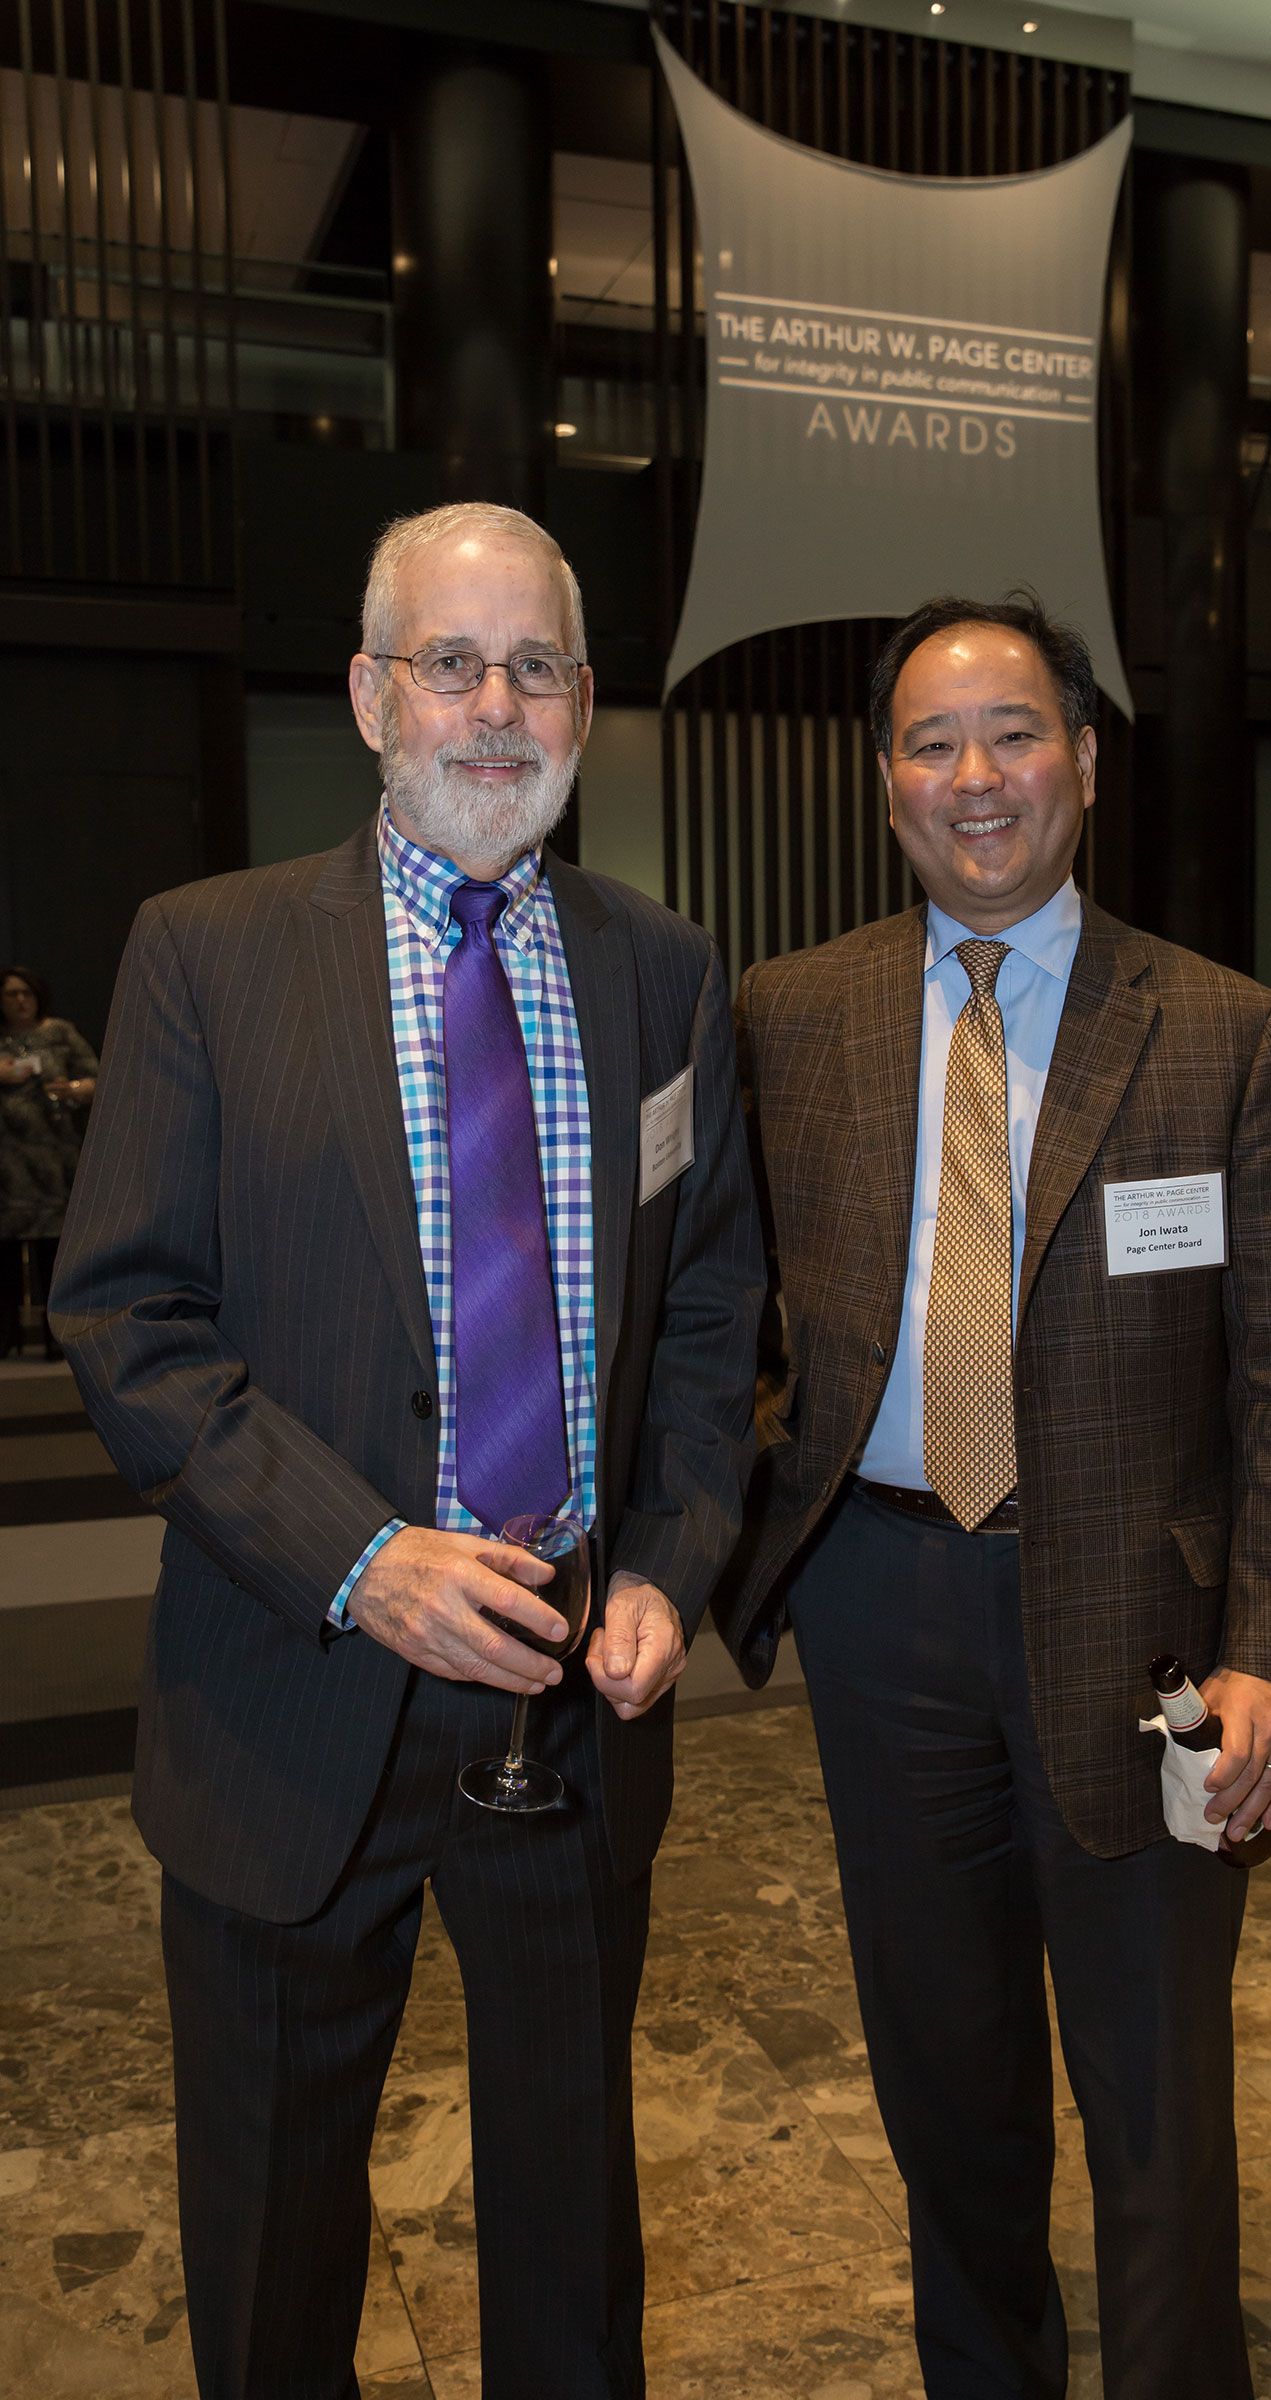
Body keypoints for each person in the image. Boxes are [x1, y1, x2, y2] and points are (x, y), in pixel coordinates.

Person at [51, 501, 763, 2400]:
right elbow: (124, 1317)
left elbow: (706, 1325)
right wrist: (364, 1557)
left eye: (537, 665)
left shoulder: (666, 978)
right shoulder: (204, 957)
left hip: (573, 1711)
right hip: (294, 1701)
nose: (496, 706)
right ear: (370, 696)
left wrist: (675, 1570)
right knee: (279, 2245)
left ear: (591, 701)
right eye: (452, 662)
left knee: (568, 2233)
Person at [720, 595, 1271, 2400]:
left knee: (1157, 2097)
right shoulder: (794, 1012)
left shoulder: (1226, 1031)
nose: (975, 776)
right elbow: (720, 1299)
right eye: (932, 741)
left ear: (1083, 758)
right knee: (946, 2075)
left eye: (1013, 733)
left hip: (1146, 1638)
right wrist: (778, 1485)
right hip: (882, 1606)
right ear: (885, 780)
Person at [0, 964, 98, 1357]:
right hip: (6, 1165)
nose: (20, 1000)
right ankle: (6, 1334)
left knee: (53, 1254)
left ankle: (58, 1336)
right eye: (11, 993)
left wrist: (71, 1088)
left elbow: (97, 1079)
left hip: (53, 1159)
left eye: (26, 992)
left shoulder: (60, 1033)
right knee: (5, 1257)